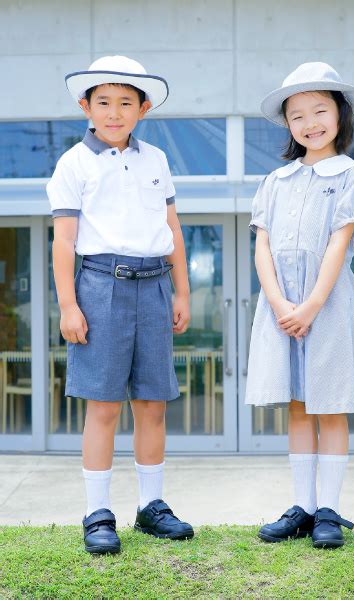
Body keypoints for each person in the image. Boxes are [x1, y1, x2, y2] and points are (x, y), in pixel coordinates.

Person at [47, 55, 193, 554]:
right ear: (85, 107)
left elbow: (172, 230)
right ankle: (97, 514)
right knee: (104, 405)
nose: (114, 112)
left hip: (154, 285)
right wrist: (68, 305)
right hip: (99, 285)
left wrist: (182, 291)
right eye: (103, 102)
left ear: (143, 108)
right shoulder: (73, 162)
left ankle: (152, 507)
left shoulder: (156, 160)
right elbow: (63, 242)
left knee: (152, 403)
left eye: (125, 103)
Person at [245, 62, 354, 549]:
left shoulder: (352, 176)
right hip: (282, 305)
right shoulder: (275, 182)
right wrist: (283, 302)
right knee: (300, 404)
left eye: (320, 110)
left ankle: (329, 509)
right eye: (297, 114)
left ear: (341, 114)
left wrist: (310, 305)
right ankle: (302, 508)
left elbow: (337, 244)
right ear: (287, 123)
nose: (310, 123)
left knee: (331, 405)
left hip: (328, 304)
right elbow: (261, 247)